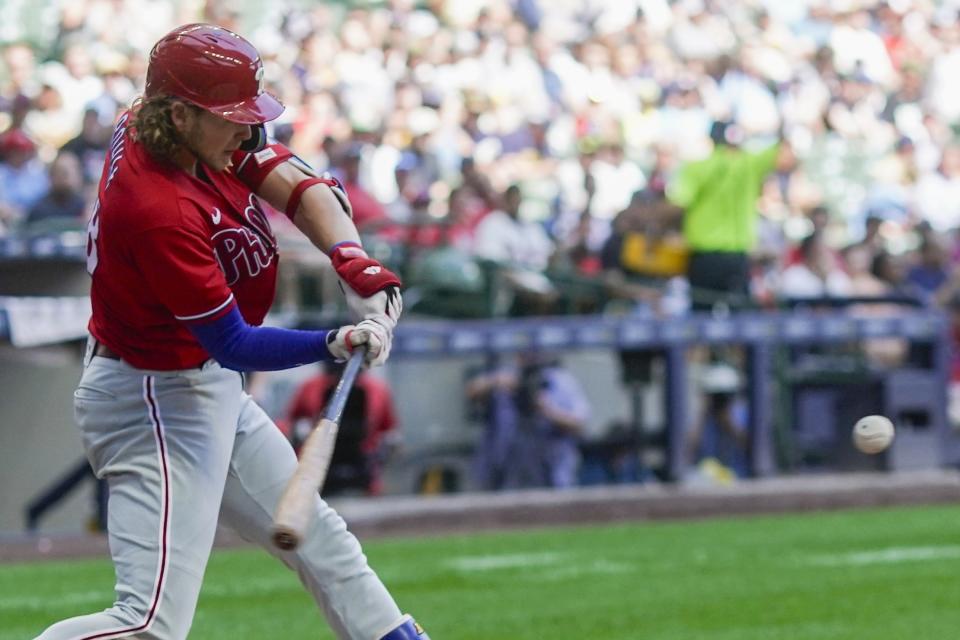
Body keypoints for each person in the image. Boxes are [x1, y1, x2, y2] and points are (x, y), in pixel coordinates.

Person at [34, 24, 427, 640]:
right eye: (231, 117)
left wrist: (352, 258)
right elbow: (235, 343)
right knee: (148, 624)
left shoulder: (179, 127)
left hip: (198, 381)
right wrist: (334, 341)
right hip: (152, 398)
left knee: (323, 542)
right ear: (179, 114)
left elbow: (297, 181)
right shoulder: (154, 206)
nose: (247, 130)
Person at [283, 362, 400, 496]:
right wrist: (299, 430)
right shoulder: (310, 387)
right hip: (316, 469)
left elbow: (390, 429)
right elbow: (288, 422)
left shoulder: (377, 390)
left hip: (364, 468)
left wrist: (385, 448)